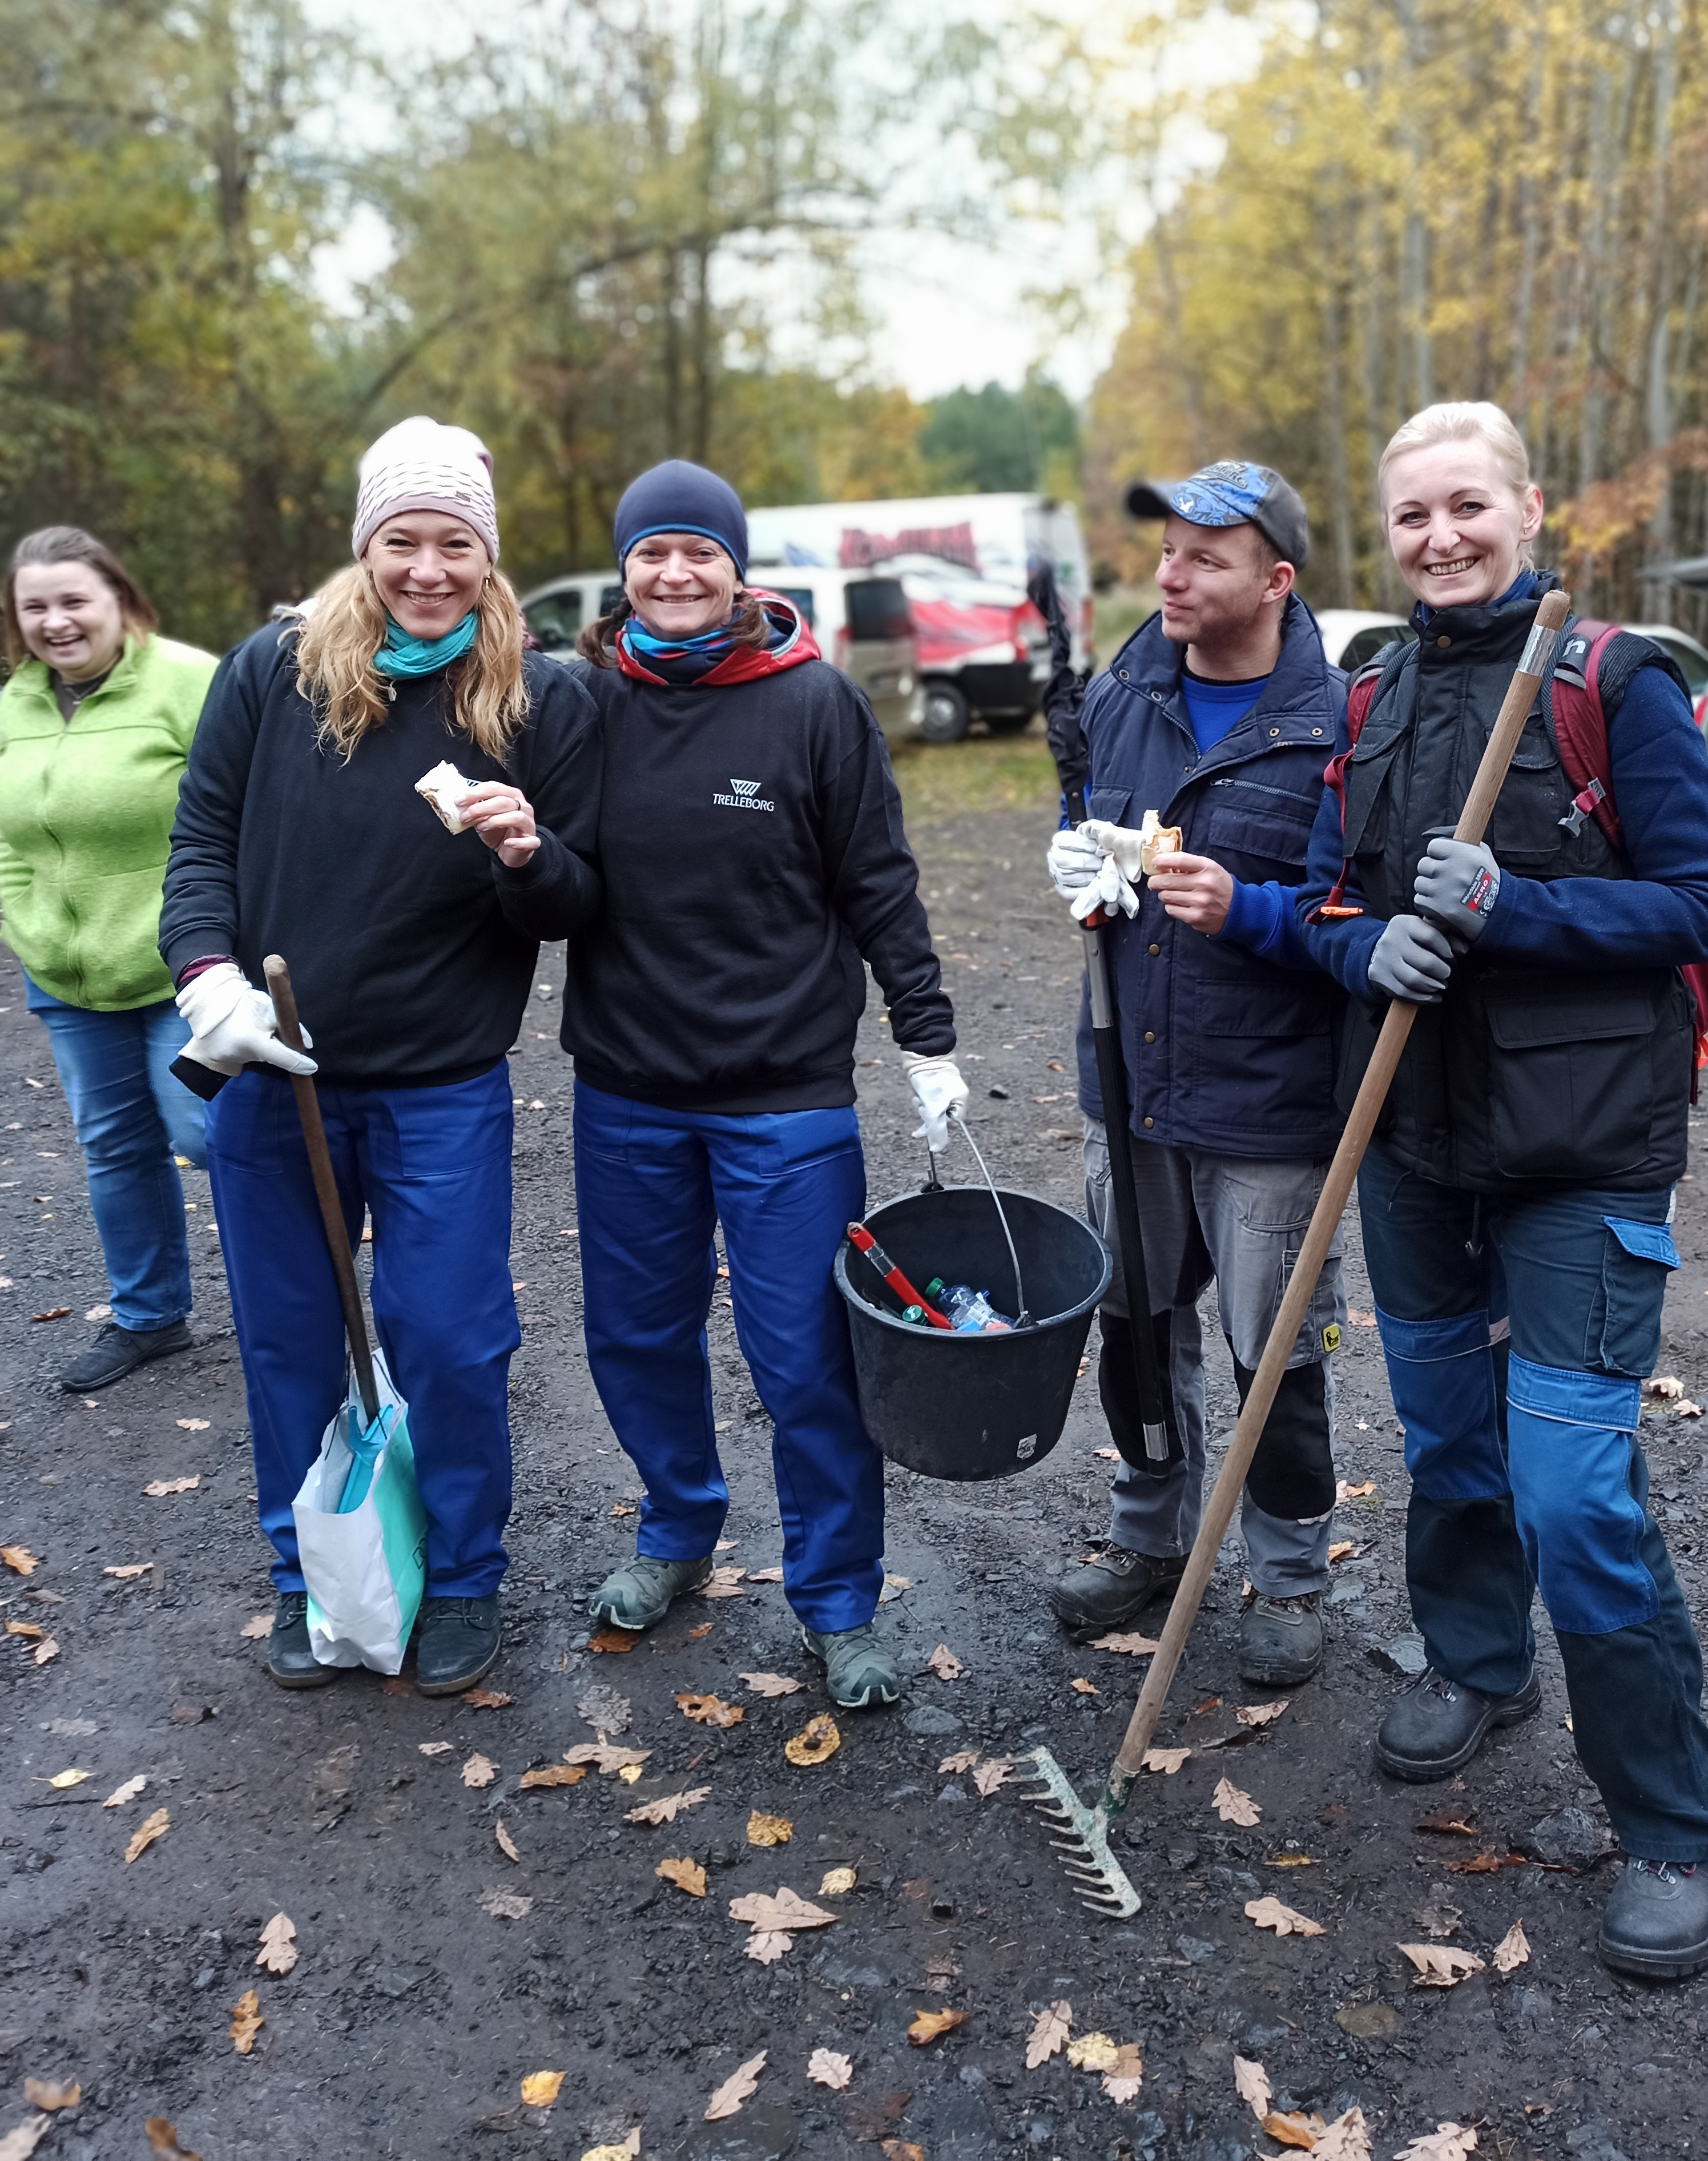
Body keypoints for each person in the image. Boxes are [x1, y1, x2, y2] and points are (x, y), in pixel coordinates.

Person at [1291, 399, 1708, 1981]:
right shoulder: (1375, 690)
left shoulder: (1617, 684)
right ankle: (1480, 1666)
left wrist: (1517, 909)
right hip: (1414, 1148)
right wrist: (1365, 947)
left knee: (1576, 1497)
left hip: (1584, 1158)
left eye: (1468, 505)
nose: (1442, 537)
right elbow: (1315, 898)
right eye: (1413, 514)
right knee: (1445, 1442)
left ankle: (1674, 1827)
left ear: (1529, 506)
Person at [160, 417, 601, 1696]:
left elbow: (574, 905)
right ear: (364, 546)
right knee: (291, 1338)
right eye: (400, 539)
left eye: (453, 542)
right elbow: (198, 845)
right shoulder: (272, 671)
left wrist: (528, 852)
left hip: (440, 1082)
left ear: (487, 553)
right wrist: (207, 981)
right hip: (274, 1074)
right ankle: (313, 1578)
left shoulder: (541, 695)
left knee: (452, 1337)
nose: (426, 566)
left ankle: (461, 1577)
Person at [563, 459, 964, 1712]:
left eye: (697, 551)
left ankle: (837, 1598)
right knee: (634, 1332)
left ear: (738, 568)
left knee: (805, 1363)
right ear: (622, 569)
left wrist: (927, 1037)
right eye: (650, 552)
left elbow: (878, 883)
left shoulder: (815, 706)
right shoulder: (583, 706)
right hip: (625, 1085)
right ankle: (678, 1528)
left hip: (785, 1097)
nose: (673, 572)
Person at [1043, 461, 1351, 1689]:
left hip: (1269, 1102)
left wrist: (1250, 908)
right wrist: (1076, 870)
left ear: (1273, 579)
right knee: (1129, 1324)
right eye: (1166, 551)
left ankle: (1286, 1576)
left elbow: (1350, 909)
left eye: (1203, 558)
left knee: (1275, 1351)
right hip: (1127, 1081)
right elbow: (1085, 825)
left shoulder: (1336, 724)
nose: (1169, 575)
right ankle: (1145, 1538)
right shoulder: (1124, 694)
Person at [0, 528, 217, 1391]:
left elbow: (239, 810)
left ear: (120, 602)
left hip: (185, 966)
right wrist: (24, 920)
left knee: (207, 1131)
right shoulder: (12, 706)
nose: (56, 621)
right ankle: (149, 1316)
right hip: (66, 972)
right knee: (114, 1144)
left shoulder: (187, 682)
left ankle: (302, 1300)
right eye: (35, 606)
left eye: (74, 600)